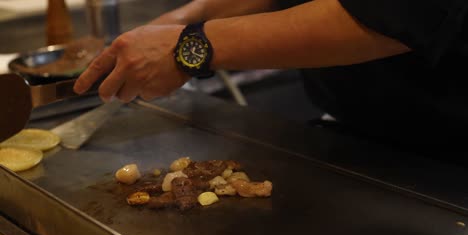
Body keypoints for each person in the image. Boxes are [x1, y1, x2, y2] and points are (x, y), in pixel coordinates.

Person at [74, 0, 468, 162]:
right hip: (353, 141)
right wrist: (177, 22)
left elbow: (402, 12)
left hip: (449, 163)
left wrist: (191, 46)